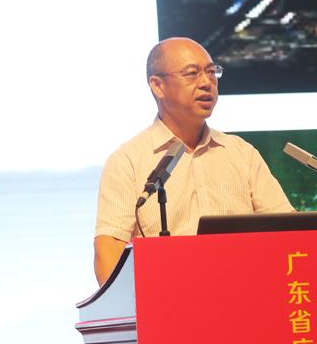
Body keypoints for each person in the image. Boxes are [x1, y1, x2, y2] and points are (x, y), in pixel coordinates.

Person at [93, 37, 294, 286]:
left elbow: (289, 230)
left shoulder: (241, 153)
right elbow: (109, 248)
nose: (206, 83)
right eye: (192, 74)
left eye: (211, 72)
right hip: (170, 299)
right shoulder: (128, 161)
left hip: (247, 292)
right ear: (157, 86)